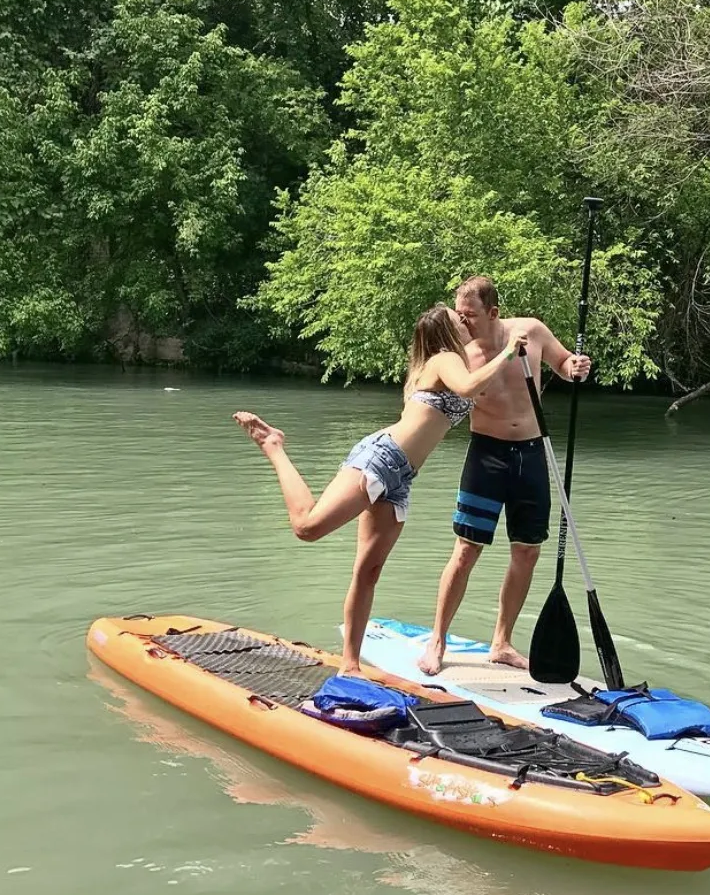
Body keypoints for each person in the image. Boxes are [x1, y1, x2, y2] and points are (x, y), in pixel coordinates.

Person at [233, 304, 530, 676]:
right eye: (458, 319)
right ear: (445, 332)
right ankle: (274, 445)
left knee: (368, 570)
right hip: (381, 459)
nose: (464, 320)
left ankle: (350, 665)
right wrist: (507, 353)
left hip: (402, 477)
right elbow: (470, 387)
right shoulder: (442, 360)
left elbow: (483, 386)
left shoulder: (455, 362)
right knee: (306, 527)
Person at [417, 275, 591, 676]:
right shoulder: (459, 353)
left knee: (528, 550)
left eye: (470, 315)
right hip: (486, 456)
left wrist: (574, 366)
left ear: (493, 312)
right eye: (459, 314)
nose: (463, 322)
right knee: (466, 550)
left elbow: (563, 364)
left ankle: (501, 642)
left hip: (532, 454)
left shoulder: (531, 330)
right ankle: (437, 640)